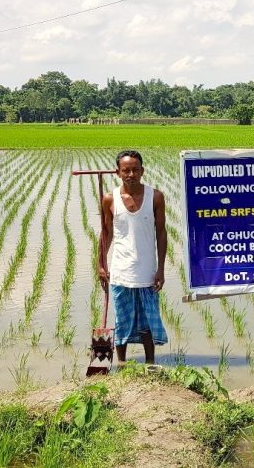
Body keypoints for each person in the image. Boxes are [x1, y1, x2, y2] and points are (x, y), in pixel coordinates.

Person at [98, 150, 168, 364]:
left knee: (148, 321)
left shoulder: (155, 197)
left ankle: (150, 363)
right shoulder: (110, 199)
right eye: (126, 170)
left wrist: (161, 269)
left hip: (147, 272)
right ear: (118, 172)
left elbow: (161, 232)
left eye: (135, 170)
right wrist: (100, 264)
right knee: (122, 320)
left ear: (142, 171)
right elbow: (106, 233)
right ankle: (121, 363)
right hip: (121, 271)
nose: (131, 174)